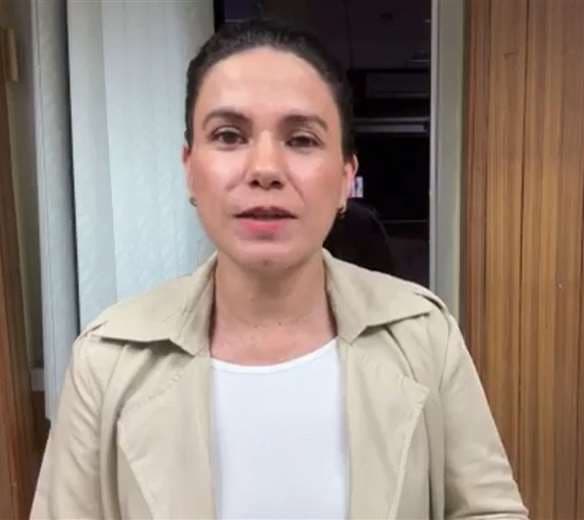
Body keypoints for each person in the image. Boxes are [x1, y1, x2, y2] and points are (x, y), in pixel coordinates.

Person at [31, 19, 528, 520]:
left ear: (345, 178)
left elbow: (489, 510)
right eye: (229, 136)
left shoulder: (423, 335)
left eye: (302, 140)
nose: (265, 169)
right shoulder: (108, 359)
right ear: (190, 169)